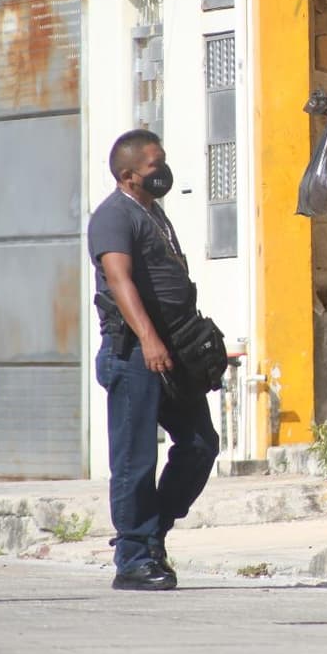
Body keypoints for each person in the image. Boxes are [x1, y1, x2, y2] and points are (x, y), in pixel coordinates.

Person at [87, 129, 219, 589]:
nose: (162, 171)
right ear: (128, 175)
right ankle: (132, 559)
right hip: (135, 352)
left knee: (200, 444)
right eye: (153, 165)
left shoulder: (151, 211)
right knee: (135, 457)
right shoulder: (113, 216)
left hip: (172, 351)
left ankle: (151, 532)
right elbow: (119, 280)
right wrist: (148, 339)